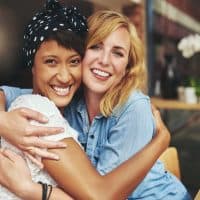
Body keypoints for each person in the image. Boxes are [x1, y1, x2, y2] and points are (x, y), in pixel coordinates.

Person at [0, 3, 191, 200]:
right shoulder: (68, 97)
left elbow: (103, 196)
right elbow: (6, 94)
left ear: (127, 66)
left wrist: (161, 142)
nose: (105, 60)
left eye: (117, 53)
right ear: (82, 53)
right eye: (96, 47)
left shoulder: (133, 107)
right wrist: (3, 121)